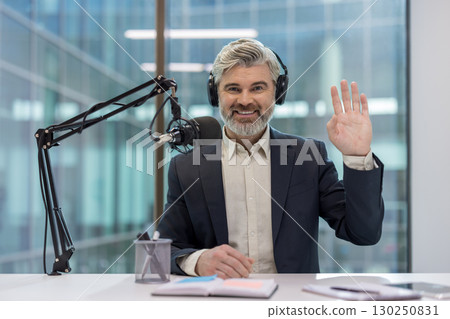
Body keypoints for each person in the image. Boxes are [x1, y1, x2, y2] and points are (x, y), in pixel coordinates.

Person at [157, 38, 384, 279]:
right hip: (219, 304)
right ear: (215, 95)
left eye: (258, 88)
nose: (245, 100)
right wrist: (199, 261)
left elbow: (364, 233)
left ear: (278, 92)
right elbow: (164, 251)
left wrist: (357, 155)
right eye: (233, 88)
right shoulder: (186, 168)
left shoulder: (307, 157)